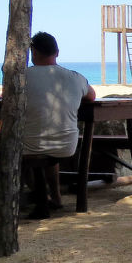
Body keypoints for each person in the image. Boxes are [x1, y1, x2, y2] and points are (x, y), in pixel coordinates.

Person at [22, 32, 96, 219]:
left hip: (31, 146)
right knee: (46, 149)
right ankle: (55, 197)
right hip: (66, 145)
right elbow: (92, 95)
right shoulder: (75, 77)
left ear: (33, 52)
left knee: (22, 146)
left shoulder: (23, 77)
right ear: (57, 52)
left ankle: (41, 197)